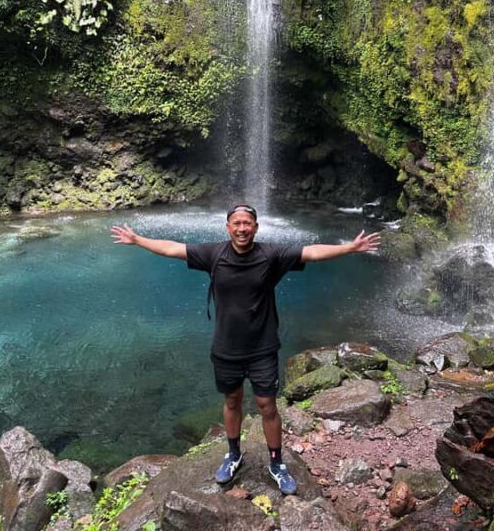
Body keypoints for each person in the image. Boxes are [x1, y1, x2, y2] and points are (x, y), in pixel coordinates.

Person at [111, 204, 381, 496]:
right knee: (232, 400)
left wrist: (350, 248)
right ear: (228, 227)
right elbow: (172, 248)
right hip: (226, 348)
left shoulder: (272, 255)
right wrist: (138, 240)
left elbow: (311, 252)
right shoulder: (214, 253)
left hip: (262, 347)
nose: (242, 228)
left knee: (267, 405)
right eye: (237, 223)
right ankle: (233, 454)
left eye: (247, 223)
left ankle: (276, 463)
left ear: (256, 227)